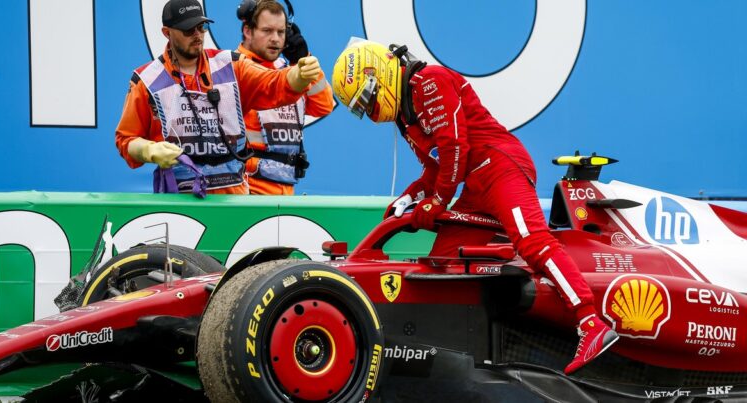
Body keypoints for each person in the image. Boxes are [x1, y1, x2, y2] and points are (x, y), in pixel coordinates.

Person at [331, 39, 619, 375]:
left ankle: (590, 323)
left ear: (377, 75)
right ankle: (452, 355)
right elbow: (437, 167)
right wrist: (410, 196)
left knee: (531, 240)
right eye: (359, 109)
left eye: (366, 100)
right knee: (442, 262)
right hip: (475, 183)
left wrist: (437, 201)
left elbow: (455, 147)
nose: (369, 112)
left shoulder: (429, 82)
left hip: (502, 167)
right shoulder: (405, 117)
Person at [115, 0, 321, 195]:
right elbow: (125, 139)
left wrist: (299, 75)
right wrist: (148, 150)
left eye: (201, 27)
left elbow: (274, 83)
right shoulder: (146, 81)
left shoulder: (231, 66)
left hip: (233, 199)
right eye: (188, 30)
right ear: (167, 33)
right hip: (177, 199)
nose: (197, 35)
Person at [236, 0, 333, 195]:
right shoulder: (234, 69)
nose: (275, 39)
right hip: (249, 189)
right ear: (248, 31)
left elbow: (323, 106)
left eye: (281, 32)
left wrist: (302, 60)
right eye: (267, 31)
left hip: (285, 190)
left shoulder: (288, 71)